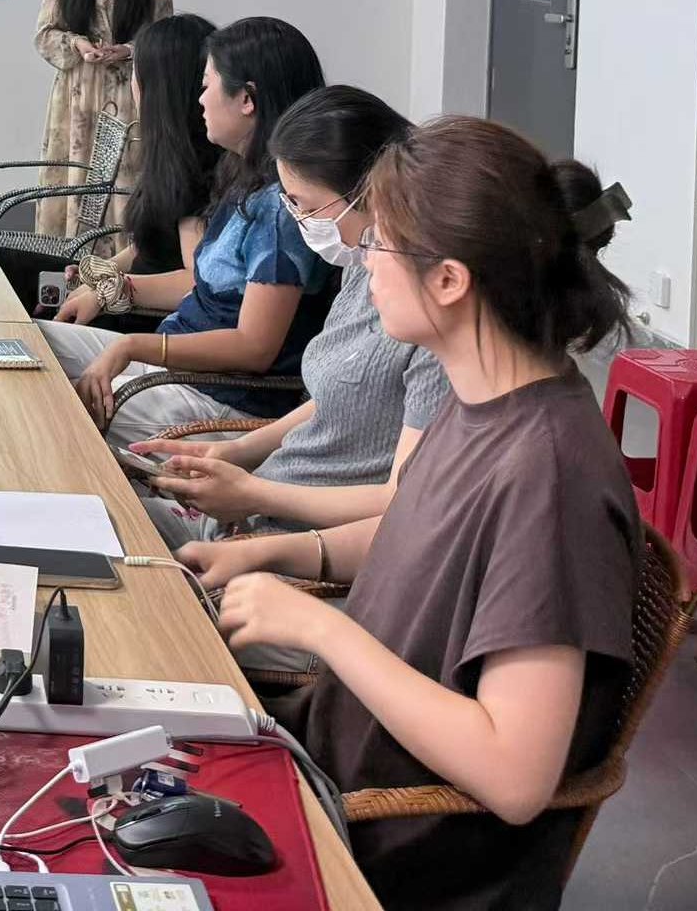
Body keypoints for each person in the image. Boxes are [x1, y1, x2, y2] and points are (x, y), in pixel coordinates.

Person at [180, 117, 641, 911]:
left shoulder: (551, 478)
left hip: (378, 846)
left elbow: (514, 775)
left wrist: (319, 627)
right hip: (319, 760)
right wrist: (271, 555)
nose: (364, 260)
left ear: (450, 280)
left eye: (380, 244)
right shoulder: (483, 396)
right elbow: (419, 537)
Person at [113, 86, 449, 548]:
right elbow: (338, 395)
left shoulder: (427, 327)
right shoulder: (362, 263)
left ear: (369, 195)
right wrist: (234, 453)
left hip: (280, 533)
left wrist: (253, 496)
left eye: (305, 206)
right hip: (260, 507)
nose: (298, 220)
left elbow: (401, 506)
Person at [39, 15, 332, 420]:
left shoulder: (279, 208)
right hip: (177, 370)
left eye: (207, 86)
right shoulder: (242, 176)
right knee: (29, 345)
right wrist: (111, 287)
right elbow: (202, 285)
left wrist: (131, 345)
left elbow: (254, 348)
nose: (200, 100)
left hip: (218, 398)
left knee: (44, 402)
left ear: (247, 99)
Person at [0, 12, 218, 319]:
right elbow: (150, 247)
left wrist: (109, 288)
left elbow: (195, 282)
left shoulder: (198, 168)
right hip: (125, 294)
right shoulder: (171, 156)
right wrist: (98, 272)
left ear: (157, 87)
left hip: (144, 315)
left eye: (135, 71)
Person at [31, 0, 173, 241]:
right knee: (75, 173)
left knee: (125, 176)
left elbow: (167, 43)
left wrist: (128, 50)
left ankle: (121, 264)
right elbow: (44, 35)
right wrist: (77, 43)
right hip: (76, 95)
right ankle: (71, 261)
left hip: (130, 94)